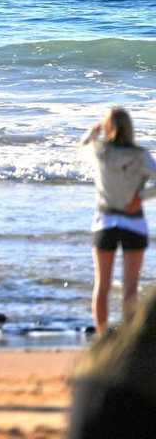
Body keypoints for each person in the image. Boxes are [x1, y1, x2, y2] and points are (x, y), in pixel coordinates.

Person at [82, 108, 156, 334]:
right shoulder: (140, 155)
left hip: (105, 220)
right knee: (130, 288)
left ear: (108, 127)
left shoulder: (100, 151)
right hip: (133, 221)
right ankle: (126, 340)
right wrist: (141, 198)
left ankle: (102, 335)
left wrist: (93, 132)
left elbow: (82, 147)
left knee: (102, 285)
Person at [68, 290, 156, 438]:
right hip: (127, 392)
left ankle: (104, 334)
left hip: (94, 377)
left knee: (101, 285)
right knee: (130, 285)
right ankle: (128, 333)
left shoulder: (93, 359)